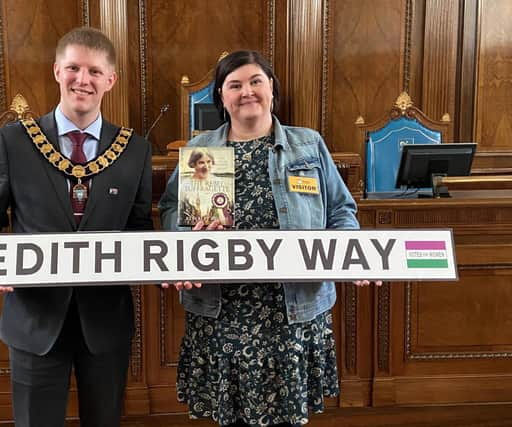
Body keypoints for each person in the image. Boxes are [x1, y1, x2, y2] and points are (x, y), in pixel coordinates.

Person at [158, 50, 381, 426]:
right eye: (235, 85)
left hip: (291, 309)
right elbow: (170, 212)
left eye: (256, 81)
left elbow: (342, 211)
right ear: (222, 97)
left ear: (272, 89)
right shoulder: (203, 153)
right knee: (230, 415)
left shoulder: (307, 145)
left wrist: (348, 252)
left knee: (287, 415)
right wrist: (185, 235)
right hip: (223, 311)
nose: (247, 91)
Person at [0, 26, 152, 427]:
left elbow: (138, 230)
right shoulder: (14, 142)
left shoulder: (135, 149)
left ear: (110, 80)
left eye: (94, 71)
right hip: (34, 320)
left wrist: (174, 262)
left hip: (105, 323)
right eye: (73, 68)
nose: (82, 80)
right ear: (56, 71)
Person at [178, 147, 233, 226]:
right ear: (193, 164)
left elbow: (226, 212)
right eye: (201, 162)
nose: (206, 166)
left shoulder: (219, 182)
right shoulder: (185, 185)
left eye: (209, 162)